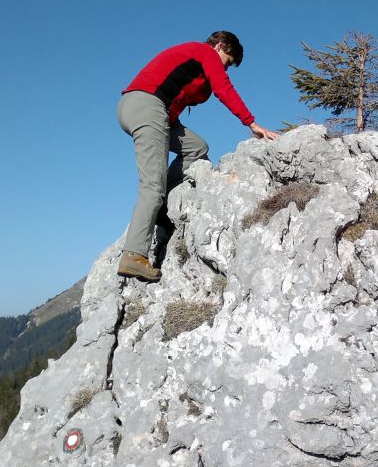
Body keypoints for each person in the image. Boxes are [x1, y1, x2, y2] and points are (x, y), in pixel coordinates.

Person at [117, 30, 280, 282]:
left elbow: (178, 92)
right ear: (221, 46)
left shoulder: (194, 57)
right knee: (152, 185)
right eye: (227, 62)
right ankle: (134, 255)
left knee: (197, 147)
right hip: (147, 106)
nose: (225, 69)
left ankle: (163, 204)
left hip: (148, 108)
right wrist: (251, 123)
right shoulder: (205, 52)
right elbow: (222, 87)